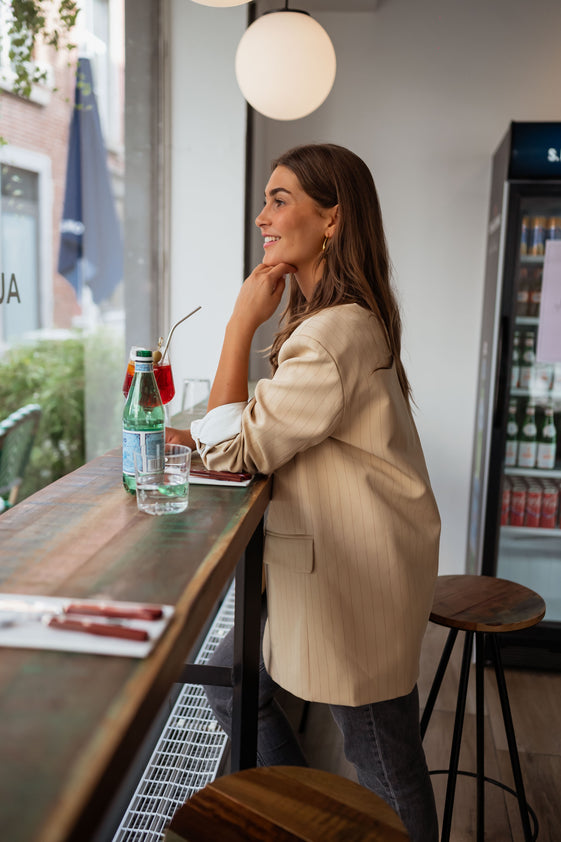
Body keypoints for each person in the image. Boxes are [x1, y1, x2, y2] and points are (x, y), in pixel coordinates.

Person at [167, 143, 440, 842]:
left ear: (331, 220)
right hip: (349, 559)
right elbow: (269, 429)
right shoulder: (339, 320)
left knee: (384, 759)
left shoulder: (328, 334)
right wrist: (201, 439)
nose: (262, 216)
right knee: (233, 681)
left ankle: (312, 820)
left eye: (279, 199)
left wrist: (237, 325)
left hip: (356, 574)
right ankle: (301, 812)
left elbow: (238, 449)